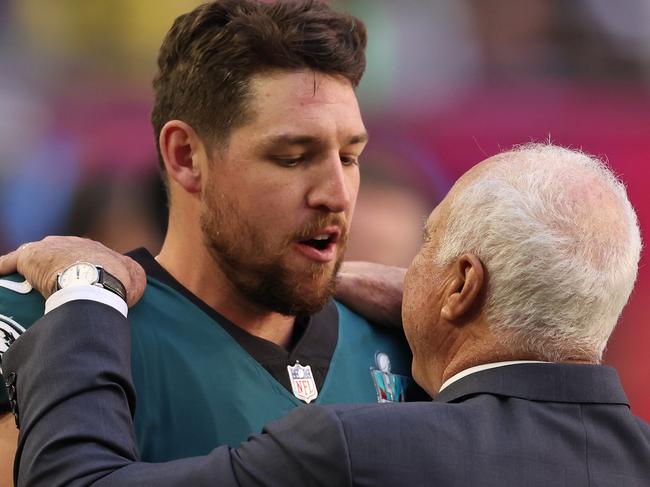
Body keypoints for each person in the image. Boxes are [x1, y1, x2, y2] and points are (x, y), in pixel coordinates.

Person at [5, 143, 649, 486]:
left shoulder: (356, 447)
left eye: (427, 245)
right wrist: (445, 312)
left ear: (462, 287)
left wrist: (87, 293)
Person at [0, 0, 419, 481]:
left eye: (348, 157)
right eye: (292, 157)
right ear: (185, 157)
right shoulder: (59, 329)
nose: (337, 195)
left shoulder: (407, 339)